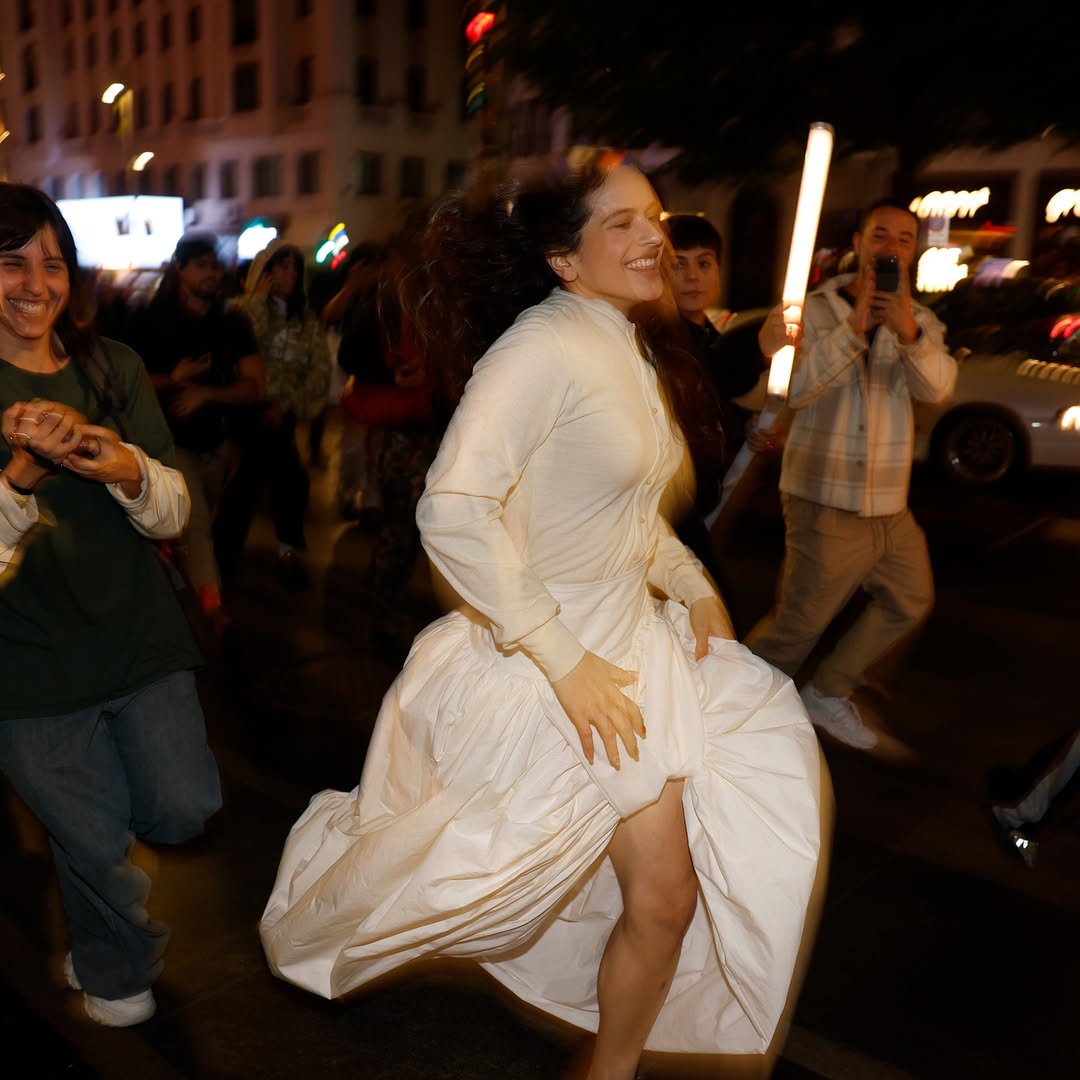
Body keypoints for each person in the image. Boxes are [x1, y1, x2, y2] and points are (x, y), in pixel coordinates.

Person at [259, 157, 829, 1079]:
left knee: (662, 897)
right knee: (650, 895)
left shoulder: (623, 342)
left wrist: (693, 588)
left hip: (632, 656)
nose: (652, 237)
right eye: (621, 225)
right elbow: (451, 507)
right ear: (566, 261)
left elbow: (625, 511)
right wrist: (563, 661)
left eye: (654, 217)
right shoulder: (539, 349)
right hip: (561, 672)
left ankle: (607, 1068)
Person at [0, 183, 222, 1027]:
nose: (34, 283)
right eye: (10, 261)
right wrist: (22, 476)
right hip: (24, 664)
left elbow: (172, 508)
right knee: (92, 839)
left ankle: (90, 850)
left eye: (51, 263)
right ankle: (111, 962)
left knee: (182, 807)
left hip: (138, 640)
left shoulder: (112, 366)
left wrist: (116, 460)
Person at [744, 198, 958, 751]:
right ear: (859, 244)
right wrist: (856, 327)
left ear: (914, 254)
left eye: (905, 240)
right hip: (824, 499)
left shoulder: (921, 321)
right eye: (880, 235)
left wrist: (905, 329)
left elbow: (937, 389)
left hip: (891, 505)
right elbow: (798, 388)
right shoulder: (811, 312)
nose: (891, 247)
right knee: (796, 628)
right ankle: (725, 717)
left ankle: (828, 691)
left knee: (910, 599)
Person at [123, 234, 264, 636]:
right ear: (179, 268)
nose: (210, 273)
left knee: (198, 516)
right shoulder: (149, 321)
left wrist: (207, 393)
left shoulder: (232, 322)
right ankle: (214, 609)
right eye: (200, 265)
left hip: (218, 444)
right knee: (197, 521)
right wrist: (175, 379)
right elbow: (126, 385)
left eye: (214, 265)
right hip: (169, 442)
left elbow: (256, 386)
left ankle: (171, 553)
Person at [217, 241, 331, 591]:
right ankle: (230, 555)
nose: (290, 275)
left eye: (295, 268)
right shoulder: (240, 311)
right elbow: (240, 352)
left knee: (282, 481)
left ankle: (249, 552)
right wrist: (257, 304)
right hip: (247, 415)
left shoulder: (307, 321)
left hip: (282, 418)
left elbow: (317, 371)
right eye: (282, 267)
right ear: (265, 272)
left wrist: (287, 405)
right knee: (255, 482)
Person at [319, 243, 387, 524]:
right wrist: (351, 286)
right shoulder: (355, 295)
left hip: (385, 380)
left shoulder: (389, 294)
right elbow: (328, 316)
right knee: (355, 446)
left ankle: (371, 501)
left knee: (377, 447)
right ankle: (348, 496)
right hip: (358, 379)